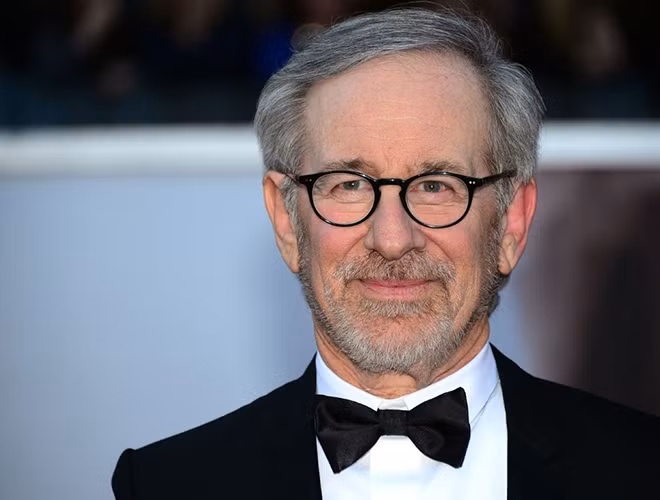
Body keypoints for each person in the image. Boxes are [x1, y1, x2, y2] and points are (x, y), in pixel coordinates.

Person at [111, 7, 660, 499]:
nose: (393, 238)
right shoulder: (167, 485)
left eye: (437, 185)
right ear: (286, 221)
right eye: (349, 185)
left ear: (511, 222)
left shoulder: (642, 470)